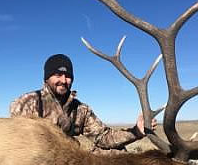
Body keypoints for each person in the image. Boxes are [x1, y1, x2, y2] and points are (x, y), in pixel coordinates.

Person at [10, 54, 157, 151]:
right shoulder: (27, 103)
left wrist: (136, 131)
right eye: (58, 75)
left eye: (68, 76)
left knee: (118, 152)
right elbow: (19, 145)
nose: (63, 80)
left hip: (68, 162)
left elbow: (103, 138)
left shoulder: (80, 109)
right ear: (46, 78)